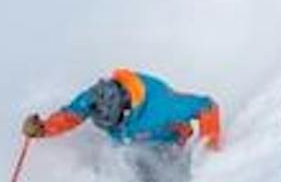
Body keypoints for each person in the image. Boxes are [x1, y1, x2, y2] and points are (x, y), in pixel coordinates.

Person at [24, 66, 223, 153]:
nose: (108, 127)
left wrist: (208, 151)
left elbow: (207, 107)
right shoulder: (94, 97)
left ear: (124, 110)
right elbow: (72, 115)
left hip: (167, 145)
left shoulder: (162, 106)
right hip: (131, 144)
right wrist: (44, 129)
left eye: (111, 123)